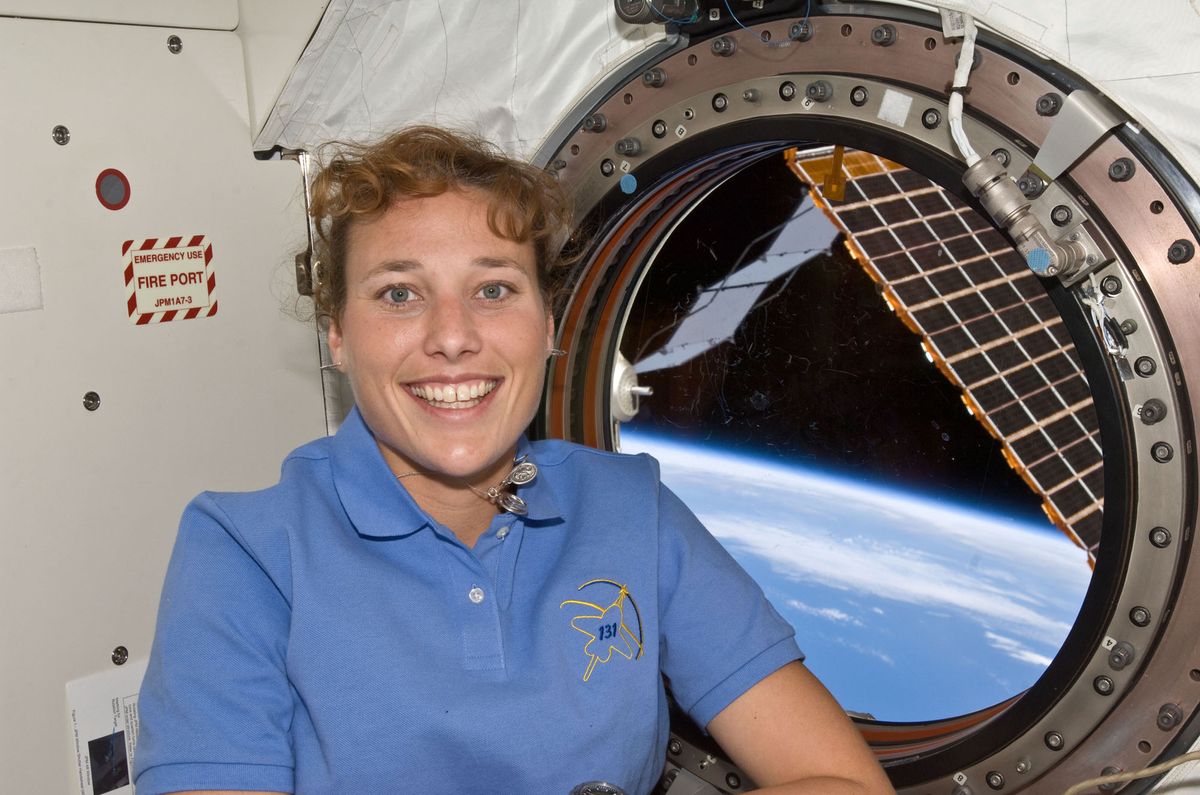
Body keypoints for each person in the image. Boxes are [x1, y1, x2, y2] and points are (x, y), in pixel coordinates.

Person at [134, 126, 894, 795]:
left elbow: (843, 780)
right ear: (336, 334)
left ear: (548, 323)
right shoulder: (245, 553)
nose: (453, 335)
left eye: (494, 287)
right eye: (399, 294)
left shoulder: (632, 509)